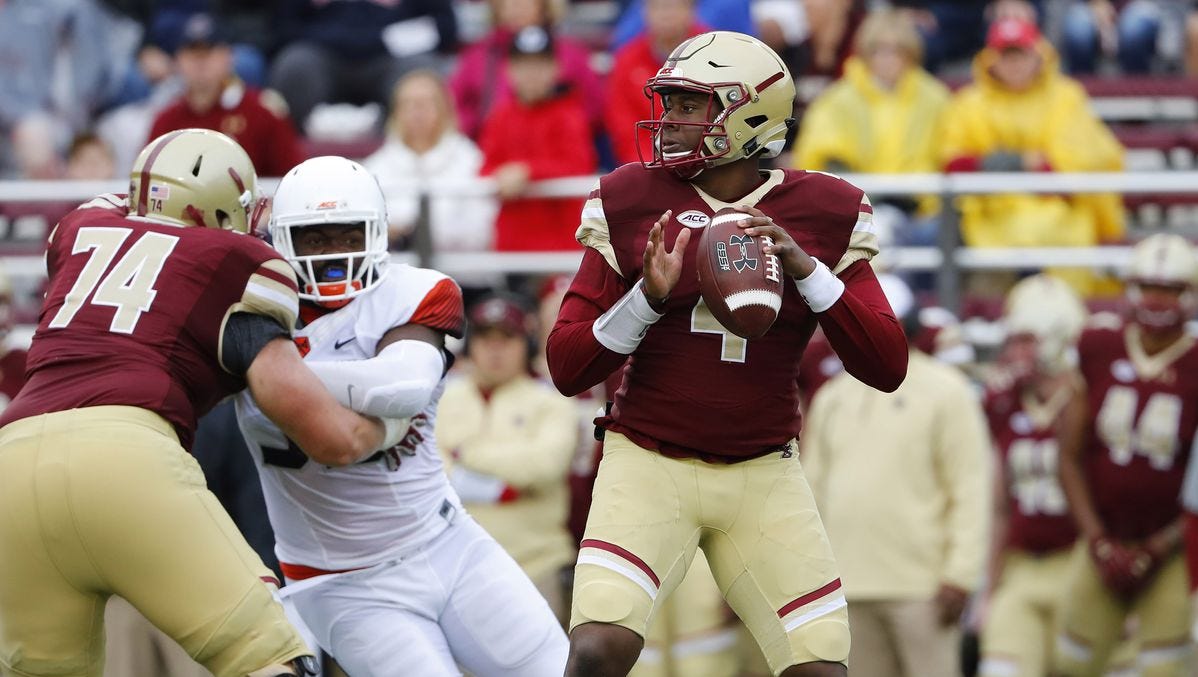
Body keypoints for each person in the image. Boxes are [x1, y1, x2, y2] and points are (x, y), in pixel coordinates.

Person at [546, 30, 909, 677]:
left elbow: (886, 365)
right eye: (671, 103)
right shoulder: (633, 198)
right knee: (599, 647)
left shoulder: (824, 209)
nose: (670, 121)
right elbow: (566, 362)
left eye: (690, 106)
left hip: (763, 471)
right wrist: (646, 301)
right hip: (650, 458)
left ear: (749, 114)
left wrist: (808, 270)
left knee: (820, 667)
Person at [0, 128, 402, 677]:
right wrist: (383, 431)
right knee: (270, 659)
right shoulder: (242, 260)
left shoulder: (78, 227)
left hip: (11, 463)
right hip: (124, 458)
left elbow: (124, 222)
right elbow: (320, 431)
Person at [233, 155, 569, 677]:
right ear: (282, 241)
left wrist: (264, 372)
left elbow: (402, 385)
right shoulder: (246, 314)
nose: (332, 256)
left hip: (448, 543)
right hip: (340, 580)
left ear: (377, 232)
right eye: (314, 239)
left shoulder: (414, 292)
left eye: (345, 235)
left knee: (557, 669)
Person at [802, 275, 990, 677]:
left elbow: (970, 487)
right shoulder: (833, 395)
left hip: (925, 590)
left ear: (906, 327)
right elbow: (811, 492)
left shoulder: (948, 391)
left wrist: (960, 575)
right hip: (847, 587)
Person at [1053, 233, 1198, 675]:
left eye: (1171, 289)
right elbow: (1069, 456)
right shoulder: (1098, 346)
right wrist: (1098, 541)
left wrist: (1160, 546)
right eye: (1150, 286)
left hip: (1171, 549)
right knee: (1071, 662)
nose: (1158, 299)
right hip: (1103, 540)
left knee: (1164, 668)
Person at [940, 16, 1125, 288]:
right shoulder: (969, 103)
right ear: (990, 60)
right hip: (991, 216)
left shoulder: (1066, 97)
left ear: (1038, 56)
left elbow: (1073, 171)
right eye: (1006, 55)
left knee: (1063, 265)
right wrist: (1023, 163)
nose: (1014, 64)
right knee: (984, 270)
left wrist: (1003, 165)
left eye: (1021, 55)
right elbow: (953, 165)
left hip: (1058, 216)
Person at [437, 293, 581, 621]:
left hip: (536, 564)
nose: (495, 349)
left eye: (507, 339)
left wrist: (465, 454)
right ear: (470, 344)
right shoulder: (442, 396)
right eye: (486, 339)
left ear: (526, 344)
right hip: (456, 565)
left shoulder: (552, 400)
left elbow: (545, 465)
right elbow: (424, 467)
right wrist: (497, 489)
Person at [976, 274, 1089, 677]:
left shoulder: (1086, 401)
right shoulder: (1006, 404)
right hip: (1022, 569)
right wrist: (989, 590)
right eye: (1014, 340)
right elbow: (1000, 507)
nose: (1014, 352)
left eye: (1027, 340)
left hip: (1081, 565)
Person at [795, 8, 949, 247]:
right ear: (867, 53)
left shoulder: (936, 99)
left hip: (924, 210)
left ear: (910, 53)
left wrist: (919, 199)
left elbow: (951, 151)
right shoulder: (838, 100)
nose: (888, 58)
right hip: (860, 210)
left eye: (897, 50)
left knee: (937, 232)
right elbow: (822, 155)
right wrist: (870, 198)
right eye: (879, 50)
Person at [479, 25, 598, 251]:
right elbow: (485, 169)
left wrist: (527, 172)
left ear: (556, 68)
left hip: (560, 247)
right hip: (511, 245)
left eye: (540, 65)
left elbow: (579, 166)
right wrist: (500, 176)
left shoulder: (569, 115)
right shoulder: (500, 117)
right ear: (508, 70)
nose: (532, 74)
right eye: (523, 65)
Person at [150, 12, 305, 178]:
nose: (200, 62)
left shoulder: (261, 112)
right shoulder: (166, 120)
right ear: (177, 60)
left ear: (228, 56)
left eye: (209, 52)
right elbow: (149, 181)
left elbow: (293, 175)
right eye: (192, 54)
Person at [269, 0, 458, 132]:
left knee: (420, 73)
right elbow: (284, 27)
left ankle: (409, 153)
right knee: (295, 64)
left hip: (390, 57)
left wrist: (386, 39)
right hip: (323, 55)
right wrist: (337, 38)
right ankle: (296, 157)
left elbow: (444, 26)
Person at [362, 70, 495, 251]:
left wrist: (420, 235)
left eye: (426, 103)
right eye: (408, 104)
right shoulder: (373, 170)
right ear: (395, 112)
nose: (417, 112)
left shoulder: (472, 161)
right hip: (393, 273)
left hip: (463, 274)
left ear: (445, 109)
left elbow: (482, 231)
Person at [450, 0, 602, 141]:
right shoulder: (478, 56)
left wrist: (558, 125)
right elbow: (452, 106)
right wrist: (481, 124)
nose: (517, 5)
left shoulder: (570, 54)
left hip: (557, 152)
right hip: (494, 152)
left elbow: (595, 107)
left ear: (544, 5)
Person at [605, 0, 708, 167]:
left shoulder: (713, 53)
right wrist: (652, 166)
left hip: (707, 162)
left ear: (691, 10)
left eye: (673, 6)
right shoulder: (626, 61)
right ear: (644, 12)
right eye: (657, 7)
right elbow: (624, 129)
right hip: (649, 164)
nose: (666, 14)